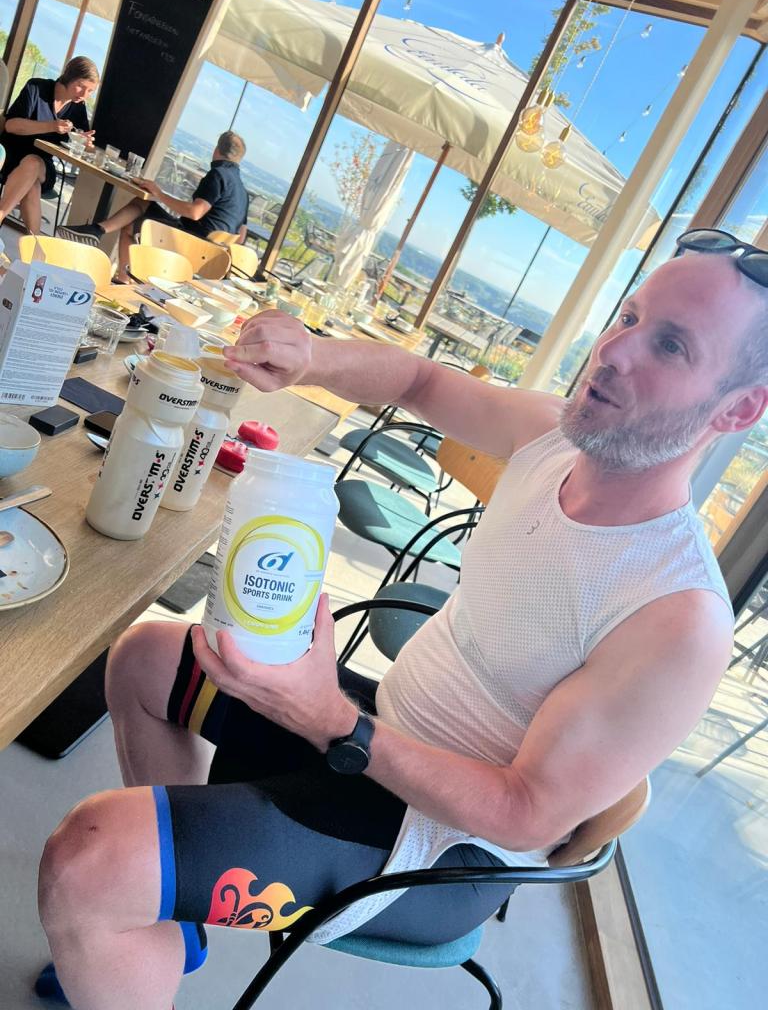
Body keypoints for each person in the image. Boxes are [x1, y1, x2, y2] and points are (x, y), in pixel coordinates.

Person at [37, 229, 768, 1010]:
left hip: (437, 852)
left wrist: (330, 721)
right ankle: (166, 915)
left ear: (740, 408)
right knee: (147, 657)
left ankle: (128, 897)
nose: (615, 352)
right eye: (628, 316)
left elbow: (525, 814)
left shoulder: (676, 615)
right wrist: (310, 356)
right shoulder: (551, 441)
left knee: (88, 859)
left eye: (671, 346)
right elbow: (420, 379)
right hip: (380, 727)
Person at [57, 130, 250, 283]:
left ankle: (104, 243)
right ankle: (99, 235)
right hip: (214, 258)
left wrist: (158, 193)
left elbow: (195, 212)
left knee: (138, 211)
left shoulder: (218, 175)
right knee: (140, 209)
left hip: (188, 242)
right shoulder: (243, 192)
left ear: (217, 150)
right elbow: (240, 237)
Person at [0, 56, 98, 235]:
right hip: (9, 157)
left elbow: (85, 143)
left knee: (33, 163)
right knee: (32, 184)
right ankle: (35, 246)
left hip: (44, 167)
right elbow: (11, 125)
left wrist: (86, 143)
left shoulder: (78, 108)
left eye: (90, 91)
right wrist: (51, 126)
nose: (85, 95)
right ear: (69, 76)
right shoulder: (37, 88)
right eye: (81, 86)